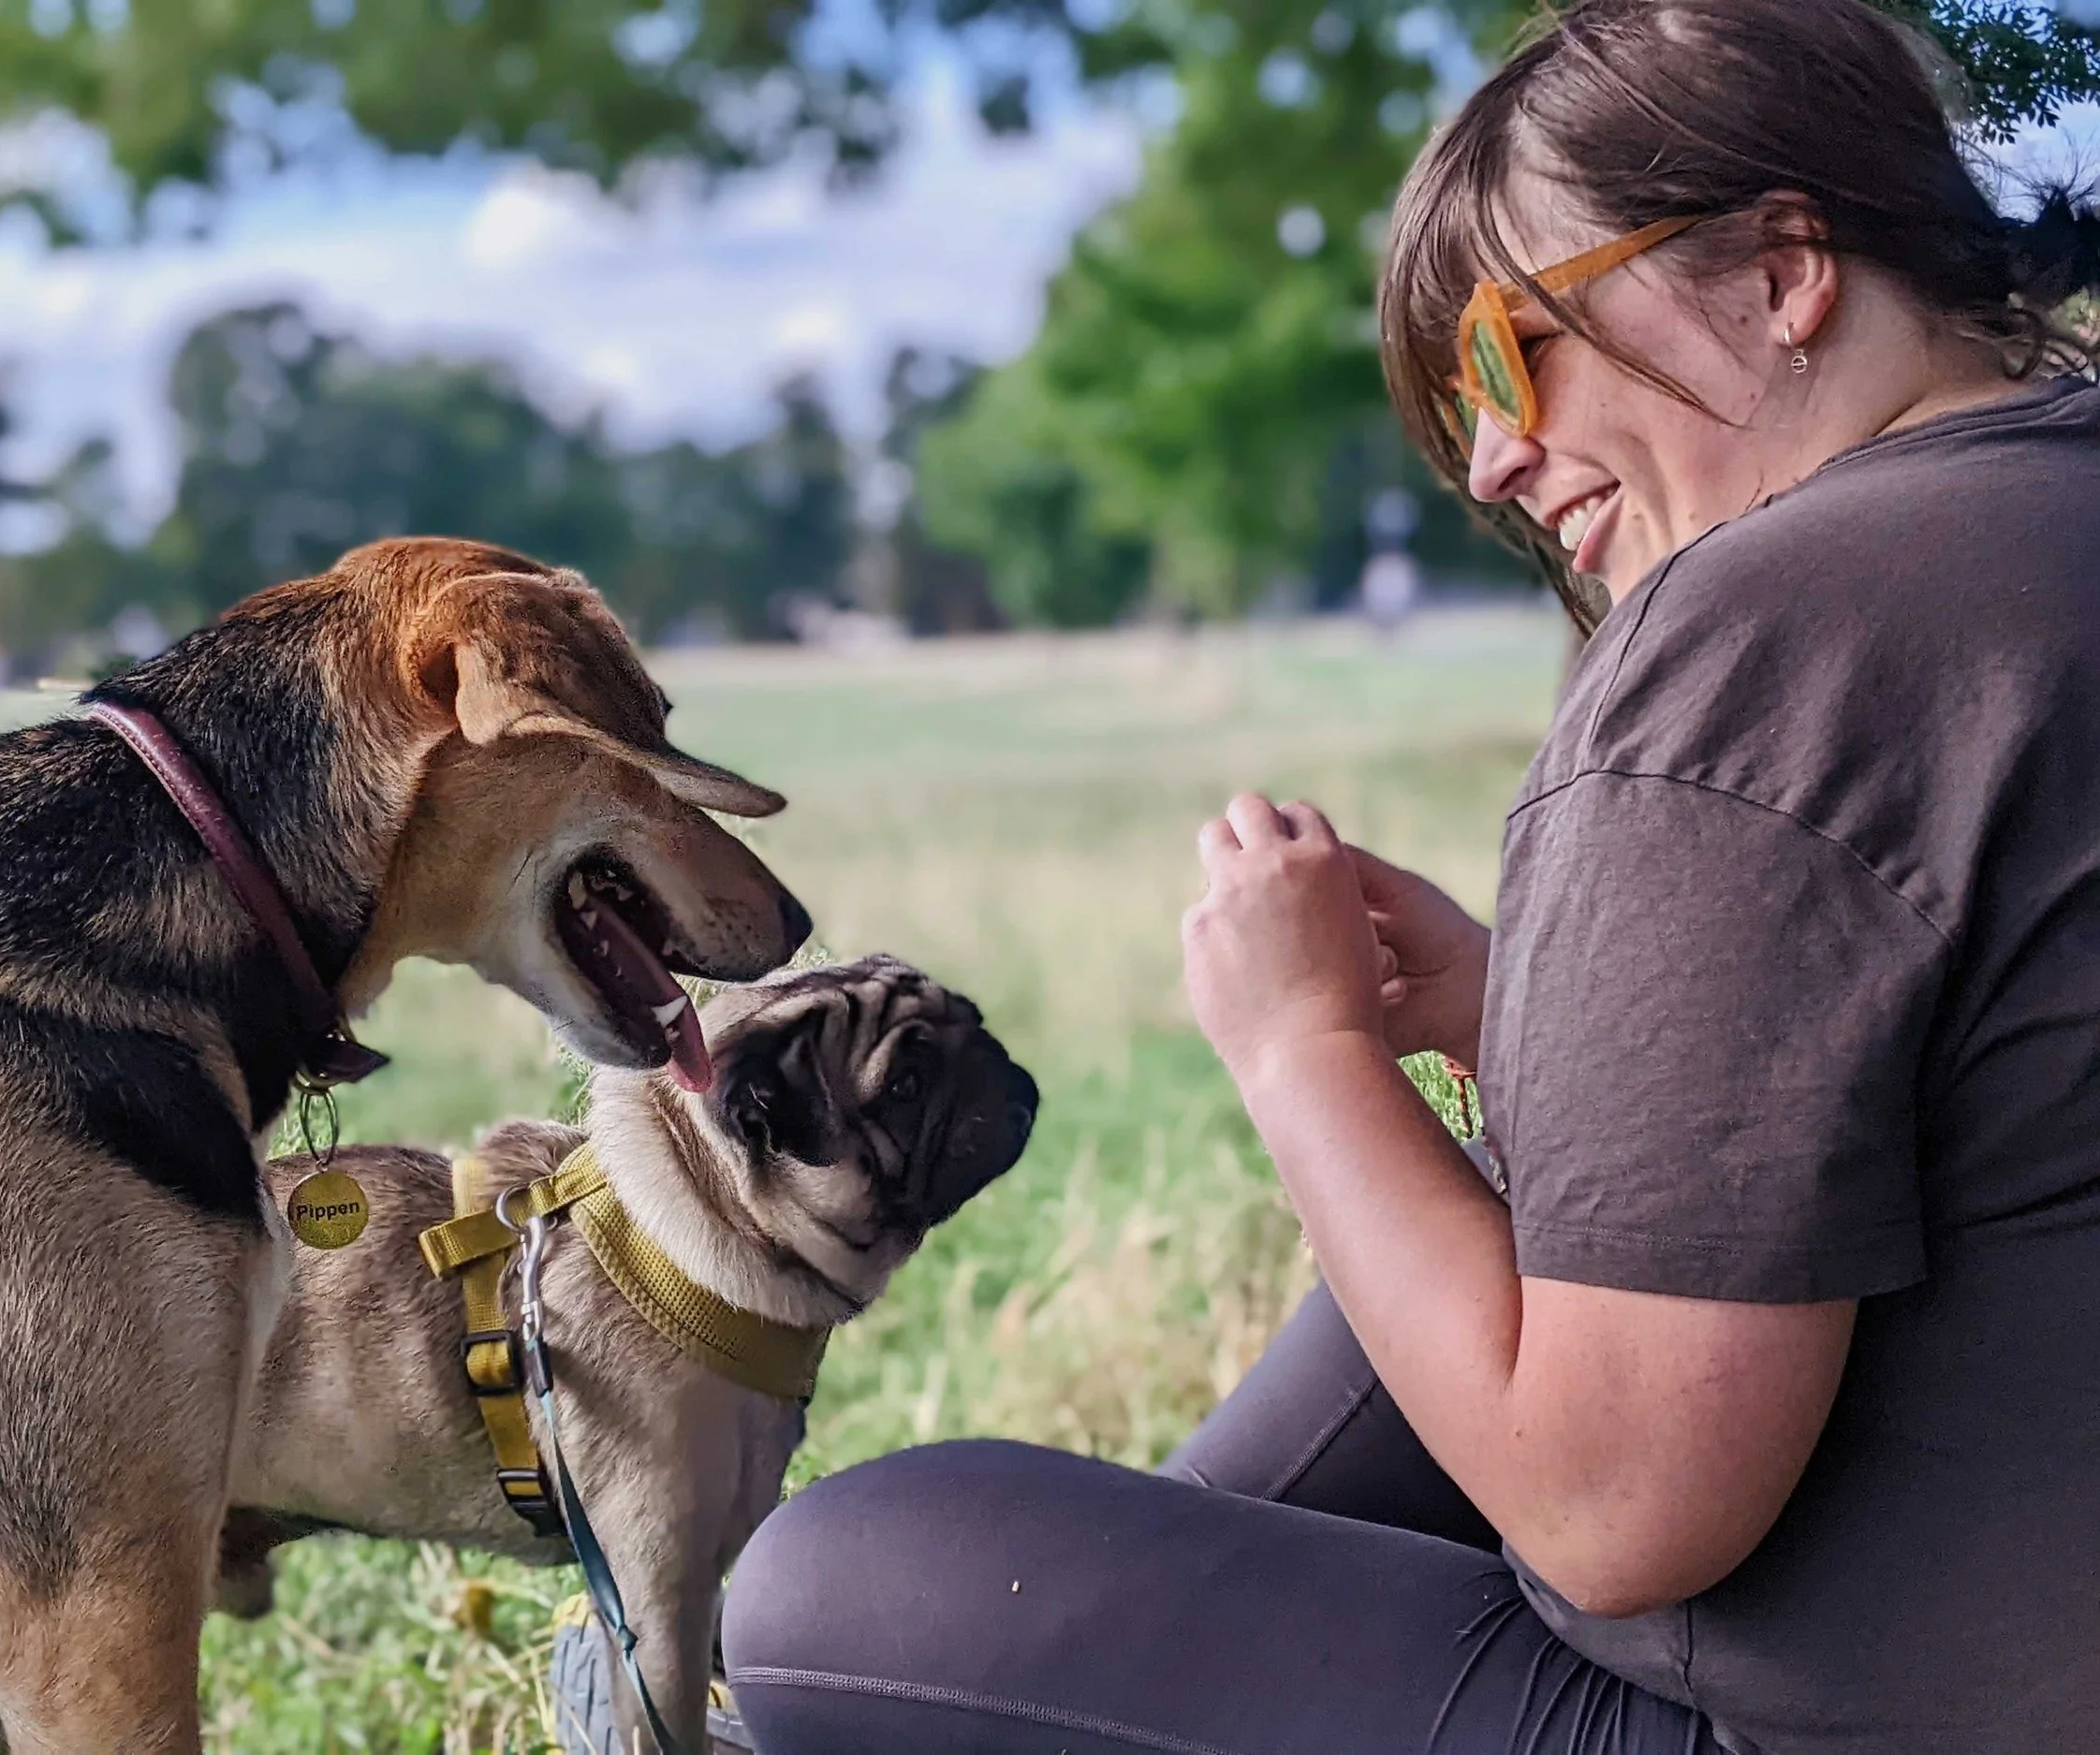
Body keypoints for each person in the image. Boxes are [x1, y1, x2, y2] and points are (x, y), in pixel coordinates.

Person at [718, 1, 2100, 1749]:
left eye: (1512, 363)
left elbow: (1618, 1504)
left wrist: (1305, 1052)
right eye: (1460, 431)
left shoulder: (1768, 629)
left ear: (1786, 264)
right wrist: (1530, 1007)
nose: (1497, 466)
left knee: (841, 1586)